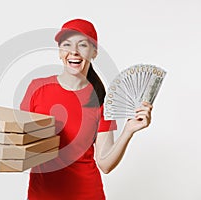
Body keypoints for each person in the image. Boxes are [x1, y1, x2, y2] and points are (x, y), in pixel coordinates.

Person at [20, 18, 153, 200]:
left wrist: (128, 131)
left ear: (94, 52)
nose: (73, 52)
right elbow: (21, 143)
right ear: (60, 52)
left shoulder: (101, 101)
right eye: (67, 45)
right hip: (42, 195)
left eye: (82, 45)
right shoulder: (37, 89)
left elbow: (105, 164)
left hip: (86, 194)